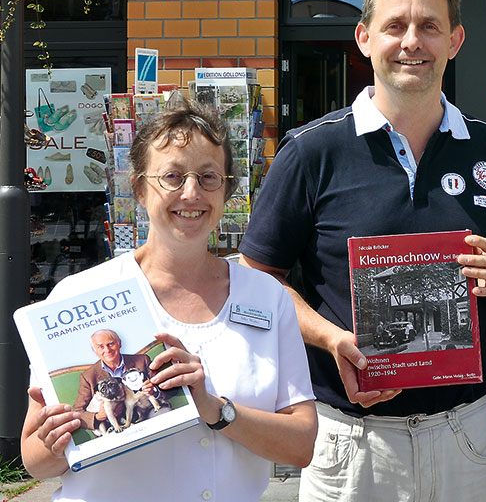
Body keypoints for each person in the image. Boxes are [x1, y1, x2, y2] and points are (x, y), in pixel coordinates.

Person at [239, 0, 486, 502]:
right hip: (351, 442)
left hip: (467, 435)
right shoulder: (311, 151)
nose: (412, 42)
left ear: (455, 40)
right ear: (364, 38)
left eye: (430, 26)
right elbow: (257, 277)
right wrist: (334, 340)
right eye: (395, 26)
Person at [21, 101, 317, 501]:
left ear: (227, 190)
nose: (191, 193)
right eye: (173, 177)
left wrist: (214, 408)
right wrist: (57, 440)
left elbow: (300, 445)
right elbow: (35, 461)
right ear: (140, 189)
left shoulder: (266, 297)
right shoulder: (78, 298)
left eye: (208, 177)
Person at [72, 328, 153, 431]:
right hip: (114, 426)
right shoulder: (88, 376)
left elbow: (165, 387)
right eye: (100, 347)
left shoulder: (142, 360)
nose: (107, 350)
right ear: (95, 351)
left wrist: (154, 391)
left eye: (110, 344)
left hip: (146, 411)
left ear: (119, 344)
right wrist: (98, 416)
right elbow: (77, 412)